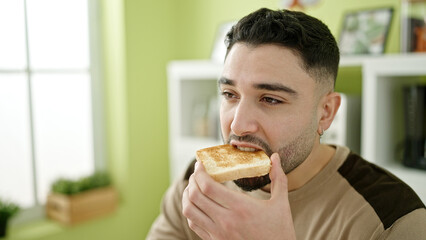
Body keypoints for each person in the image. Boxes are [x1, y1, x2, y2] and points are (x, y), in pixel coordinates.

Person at [147, 8, 426, 240]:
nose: (239, 124)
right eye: (230, 95)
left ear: (326, 113)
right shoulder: (196, 184)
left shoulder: (394, 220)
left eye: (270, 99)